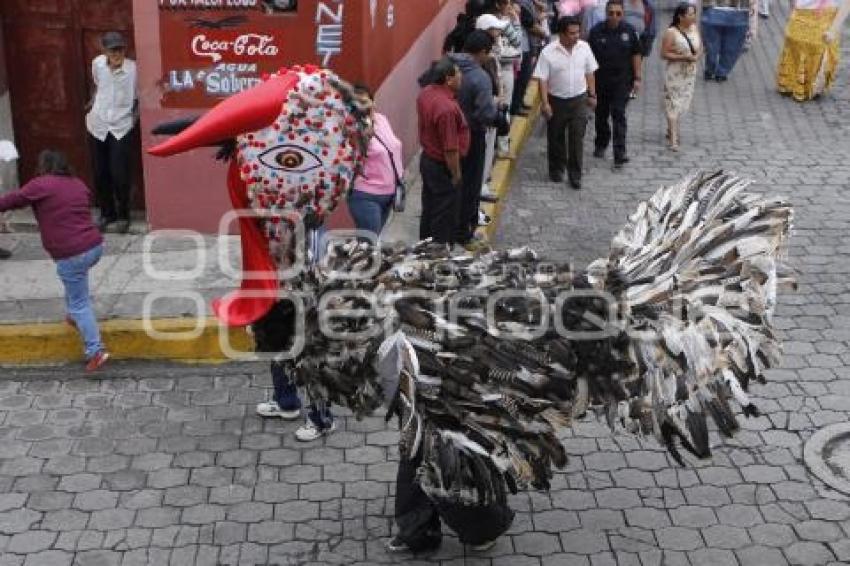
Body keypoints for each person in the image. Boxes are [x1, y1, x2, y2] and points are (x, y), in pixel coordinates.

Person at [0, 150, 109, 371]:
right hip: (94, 246)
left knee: (80, 303)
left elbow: (12, 201)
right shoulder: (78, 183)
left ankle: (95, 350)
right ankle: (73, 316)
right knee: (77, 283)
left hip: (72, 252)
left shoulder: (40, 184)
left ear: (44, 166)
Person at [449, 30, 503, 246]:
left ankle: (448, 230)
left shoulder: (445, 65)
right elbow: (485, 114)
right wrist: (497, 112)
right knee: (470, 186)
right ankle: (463, 234)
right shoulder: (480, 77)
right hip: (471, 136)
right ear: (481, 52)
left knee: (450, 186)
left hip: (446, 136)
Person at [534, 15, 598, 189]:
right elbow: (542, 79)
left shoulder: (584, 48)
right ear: (561, 34)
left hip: (579, 99)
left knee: (577, 137)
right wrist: (545, 103)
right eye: (571, 33)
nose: (576, 36)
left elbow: (590, 72)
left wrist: (592, 95)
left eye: (578, 32)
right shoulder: (548, 52)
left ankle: (575, 175)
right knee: (556, 137)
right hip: (556, 100)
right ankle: (556, 170)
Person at [86, 31, 137, 234]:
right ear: (104, 50)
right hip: (97, 125)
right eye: (112, 49)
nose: (117, 53)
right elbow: (97, 86)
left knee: (120, 174)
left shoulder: (133, 70)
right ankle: (107, 213)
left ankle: (123, 214)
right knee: (100, 173)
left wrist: (132, 121)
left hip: (120, 127)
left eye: (120, 49)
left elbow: (138, 97)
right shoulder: (98, 64)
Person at [416, 57, 470, 245]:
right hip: (442, 166)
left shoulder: (426, 93)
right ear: (448, 79)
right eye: (458, 73)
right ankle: (438, 254)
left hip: (428, 159)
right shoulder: (446, 108)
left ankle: (425, 247)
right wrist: (455, 174)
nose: (461, 76)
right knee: (444, 214)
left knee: (430, 208)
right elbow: (450, 148)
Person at [588, 0, 641, 168]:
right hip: (600, 81)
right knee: (601, 115)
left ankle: (620, 153)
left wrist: (638, 78)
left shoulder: (629, 31)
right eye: (611, 13)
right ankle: (601, 142)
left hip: (622, 82)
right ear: (606, 13)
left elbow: (636, 54)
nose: (614, 17)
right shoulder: (596, 32)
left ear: (623, 14)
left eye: (618, 13)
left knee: (619, 115)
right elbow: (588, 60)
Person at [346, 85, 403, 238]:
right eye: (357, 103)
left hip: (389, 193)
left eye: (365, 101)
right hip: (366, 195)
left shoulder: (381, 120)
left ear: (373, 102)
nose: (362, 106)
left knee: (372, 243)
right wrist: (362, 134)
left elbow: (392, 147)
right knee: (369, 246)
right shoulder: (351, 129)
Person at [776, 0, 849, 101]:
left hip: (823, 21)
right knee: (795, 51)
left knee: (819, 54)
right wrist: (793, 11)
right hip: (799, 19)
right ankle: (792, 84)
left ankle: (812, 86)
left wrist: (833, 29)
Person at [661, 3, 702, 151]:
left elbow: (700, 47)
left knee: (682, 103)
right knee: (673, 103)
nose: (693, 17)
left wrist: (696, 57)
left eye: (694, 14)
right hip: (675, 73)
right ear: (681, 16)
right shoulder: (671, 32)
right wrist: (683, 57)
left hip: (689, 73)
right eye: (690, 14)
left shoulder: (694, 28)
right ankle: (674, 140)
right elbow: (663, 54)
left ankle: (670, 129)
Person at [700, 0, 752, 82]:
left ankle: (720, 72)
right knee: (712, 48)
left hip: (738, 12)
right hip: (714, 10)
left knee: (731, 47)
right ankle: (714, 69)